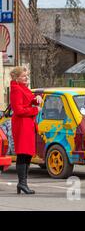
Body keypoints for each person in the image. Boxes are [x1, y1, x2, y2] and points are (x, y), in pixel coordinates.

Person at [9, 66, 43, 195]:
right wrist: (35, 110)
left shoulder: (23, 88)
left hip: (27, 124)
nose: (26, 77)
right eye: (23, 76)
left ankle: (23, 183)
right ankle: (22, 183)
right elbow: (18, 110)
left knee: (27, 153)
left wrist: (37, 98)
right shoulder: (16, 89)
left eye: (26, 75)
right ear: (16, 78)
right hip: (22, 124)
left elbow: (28, 100)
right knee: (23, 153)